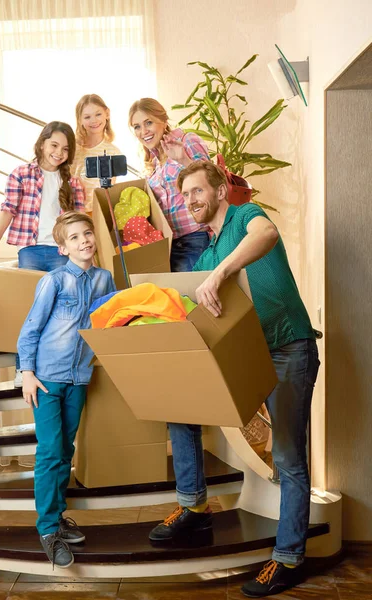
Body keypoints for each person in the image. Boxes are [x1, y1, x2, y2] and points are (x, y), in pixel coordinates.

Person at [149, 161, 320, 598]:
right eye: (184, 195)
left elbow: (267, 236)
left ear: (221, 190)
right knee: (178, 404)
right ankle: (194, 506)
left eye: (197, 191)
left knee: (287, 456)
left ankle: (287, 559)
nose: (189, 201)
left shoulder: (246, 217)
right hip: (245, 357)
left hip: (287, 348)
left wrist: (222, 273)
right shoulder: (204, 256)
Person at [17, 211, 116, 568]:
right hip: (46, 377)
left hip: (79, 378)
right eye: (74, 238)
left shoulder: (105, 278)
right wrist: (27, 372)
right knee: (50, 451)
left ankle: (57, 516)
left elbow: (112, 318)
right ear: (62, 248)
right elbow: (30, 328)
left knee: (66, 449)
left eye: (87, 234)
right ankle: (47, 530)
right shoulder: (55, 281)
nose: (84, 241)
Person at [0, 121, 85, 386]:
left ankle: (58, 369)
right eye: (54, 145)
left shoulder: (72, 182)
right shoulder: (22, 174)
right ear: (42, 143)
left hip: (63, 253)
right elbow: (8, 209)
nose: (58, 153)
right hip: (31, 252)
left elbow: (80, 221)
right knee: (31, 312)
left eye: (65, 148)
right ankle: (23, 369)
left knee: (64, 312)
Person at [129, 98, 211, 272]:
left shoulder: (186, 141)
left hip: (194, 238)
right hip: (168, 245)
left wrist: (184, 159)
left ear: (163, 121)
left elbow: (212, 182)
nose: (143, 131)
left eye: (148, 122)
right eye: (137, 126)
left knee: (189, 295)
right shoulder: (154, 161)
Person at [72, 94, 122, 214]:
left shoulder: (113, 152)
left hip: (98, 212)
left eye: (98, 114)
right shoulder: (72, 148)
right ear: (80, 120)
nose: (94, 120)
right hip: (72, 212)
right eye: (87, 117)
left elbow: (109, 190)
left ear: (107, 114)